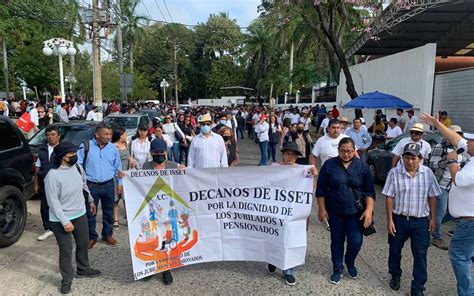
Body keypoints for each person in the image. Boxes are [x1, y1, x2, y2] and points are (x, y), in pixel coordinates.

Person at [421, 113, 474, 296]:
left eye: (470, 141)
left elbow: (459, 180)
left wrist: (452, 161)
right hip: (466, 219)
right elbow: (456, 139)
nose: (466, 143)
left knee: (459, 256)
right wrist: (437, 124)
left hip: (470, 222)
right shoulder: (470, 155)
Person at [382, 143, 441, 296]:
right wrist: (389, 220)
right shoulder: (394, 173)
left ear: (420, 158)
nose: (409, 161)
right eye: (406, 158)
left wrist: (433, 218)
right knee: (394, 250)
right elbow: (389, 197)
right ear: (402, 158)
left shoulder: (427, 173)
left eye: (413, 158)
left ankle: (418, 287)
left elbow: (432, 196)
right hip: (399, 219)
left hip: (421, 221)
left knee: (420, 254)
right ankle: (395, 275)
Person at [316, 137, 375, 285]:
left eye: (349, 151)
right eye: (343, 151)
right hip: (335, 211)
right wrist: (322, 209)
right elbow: (321, 189)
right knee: (337, 241)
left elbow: (370, 192)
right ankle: (337, 268)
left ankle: (350, 262)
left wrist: (368, 211)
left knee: (356, 241)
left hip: (356, 213)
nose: (346, 154)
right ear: (338, 151)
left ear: (354, 150)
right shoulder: (329, 165)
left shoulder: (362, 167)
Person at [44, 142, 100, 294]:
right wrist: (65, 221)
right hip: (61, 219)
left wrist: (90, 200)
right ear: (63, 157)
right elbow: (53, 202)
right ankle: (67, 279)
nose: (75, 157)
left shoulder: (77, 167)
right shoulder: (52, 176)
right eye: (72, 155)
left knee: (82, 244)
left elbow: (83, 184)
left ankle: (83, 269)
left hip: (80, 214)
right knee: (66, 250)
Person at [267, 141, 318, 286]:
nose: (290, 157)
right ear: (282, 154)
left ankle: (288, 271)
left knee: (291, 239)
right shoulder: (274, 168)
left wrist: (314, 176)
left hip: (293, 212)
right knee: (273, 236)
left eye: (293, 155)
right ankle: (272, 261)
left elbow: (308, 191)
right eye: (288, 154)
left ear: (296, 157)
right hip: (275, 210)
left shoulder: (302, 170)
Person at [77, 123, 123, 250]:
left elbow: (118, 167)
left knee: (108, 212)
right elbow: (78, 165)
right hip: (91, 186)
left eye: (110, 134)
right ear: (97, 134)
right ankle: (92, 237)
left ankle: (107, 235)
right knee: (90, 214)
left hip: (109, 185)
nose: (109, 137)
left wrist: (119, 183)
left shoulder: (113, 148)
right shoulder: (85, 146)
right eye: (106, 134)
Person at [428, 125, 467, 250]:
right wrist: (447, 161)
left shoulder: (462, 149)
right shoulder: (440, 147)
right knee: (440, 211)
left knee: (455, 212)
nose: (457, 136)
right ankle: (436, 236)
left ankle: (430, 225)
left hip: (455, 185)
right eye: (455, 134)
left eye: (459, 134)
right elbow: (432, 164)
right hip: (441, 185)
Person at [35, 125, 61, 241]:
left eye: (53, 135)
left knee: (60, 205)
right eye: (48, 135)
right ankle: (48, 228)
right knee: (45, 206)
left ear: (58, 136)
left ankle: (62, 226)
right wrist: (35, 183)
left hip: (60, 183)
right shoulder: (42, 149)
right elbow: (37, 168)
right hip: (44, 183)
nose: (50, 137)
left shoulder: (62, 149)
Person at [112, 127, 130, 230]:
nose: (126, 136)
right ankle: (115, 220)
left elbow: (128, 157)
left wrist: (132, 162)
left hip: (126, 175)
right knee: (116, 199)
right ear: (120, 136)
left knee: (126, 198)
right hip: (116, 175)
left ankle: (128, 218)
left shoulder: (126, 145)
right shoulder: (112, 147)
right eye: (125, 134)